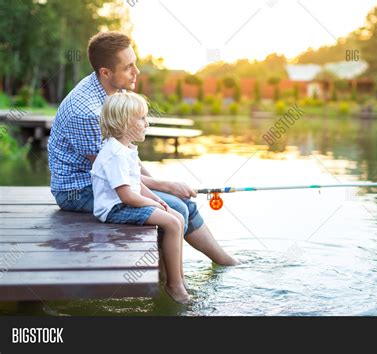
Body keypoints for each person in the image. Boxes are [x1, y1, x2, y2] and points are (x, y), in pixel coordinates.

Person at [47, 31, 237, 266]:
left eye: (134, 63)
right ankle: (168, 279)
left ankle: (223, 262)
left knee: (183, 203)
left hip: (110, 178)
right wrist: (165, 186)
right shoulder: (87, 112)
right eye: (128, 67)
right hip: (79, 189)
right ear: (106, 72)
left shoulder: (115, 90)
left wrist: (160, 184)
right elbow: (112, 170)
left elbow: (126, 159)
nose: (136, 72)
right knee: (175, 206)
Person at [91, 92, 188, 303]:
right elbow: (126, 195)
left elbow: (137, 184)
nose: (147, 123)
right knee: (172, 223)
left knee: (178, 217)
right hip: (114, 208)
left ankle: (177, 276)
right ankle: (174, 286)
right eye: (142, 118)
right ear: (125, 122)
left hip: (128, 201)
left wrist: (158, 199)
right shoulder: (114, 154)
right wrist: (153, 203)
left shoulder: (126, 149)